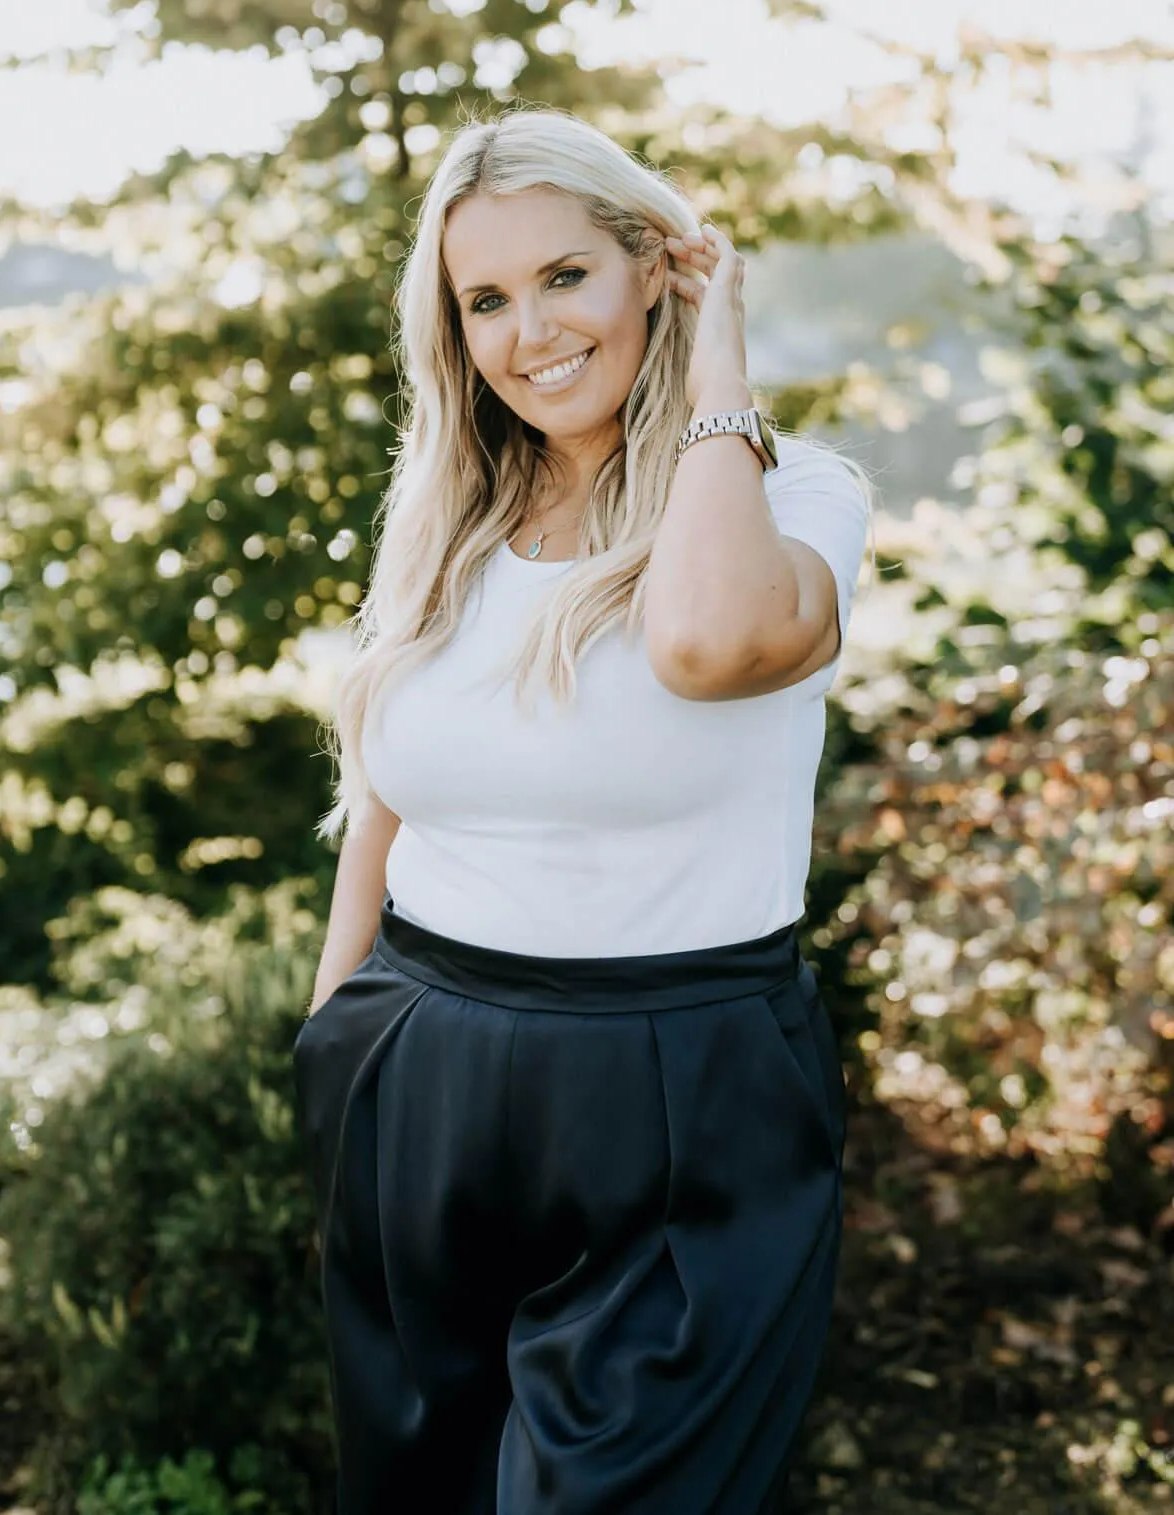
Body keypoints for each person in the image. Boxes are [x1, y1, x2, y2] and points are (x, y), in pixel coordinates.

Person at [292, 107, 876, 1514]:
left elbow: (708, 644)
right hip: (417, 1066)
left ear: (653, 266)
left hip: (684, 1084)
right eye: (485, 299)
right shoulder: (447, 517)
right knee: (418, 1493)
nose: (531, 332)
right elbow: (388, 795)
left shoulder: (797, 495)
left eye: (566, 275)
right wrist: (333, 1044)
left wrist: (717, 365)